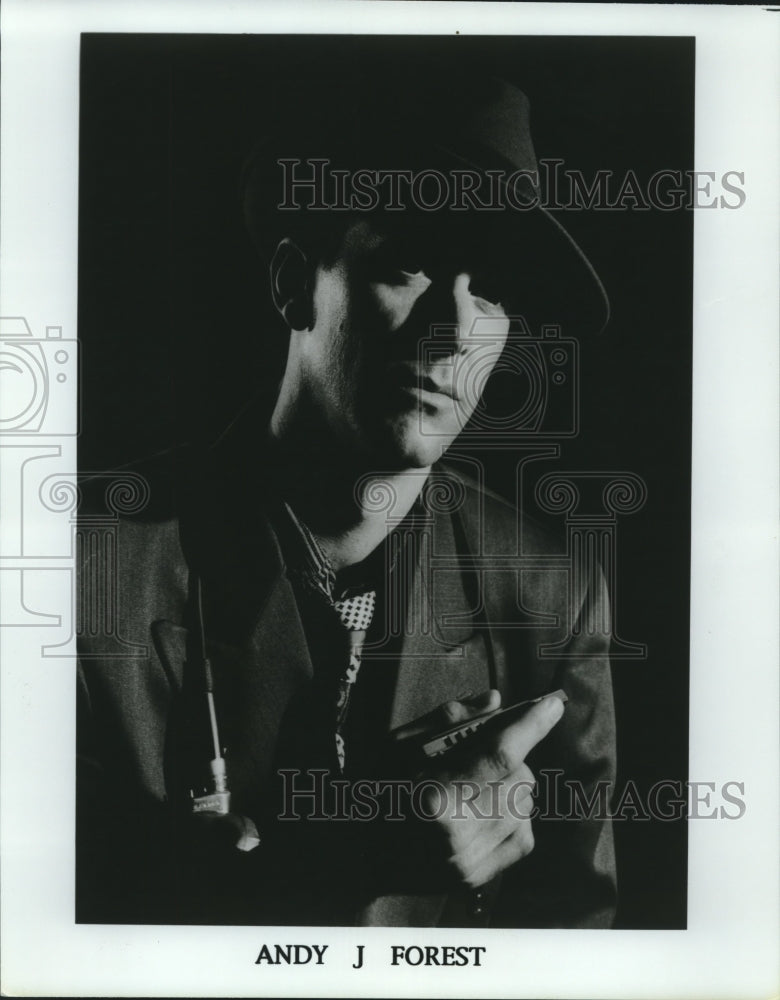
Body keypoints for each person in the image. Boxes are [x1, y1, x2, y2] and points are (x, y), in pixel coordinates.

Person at [76, 64, 617, 927]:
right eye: (408, 265)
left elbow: (582, 940)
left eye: (494, 294)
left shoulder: (552, 592)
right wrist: (351, 855)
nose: (455, 330)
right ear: (294, 284)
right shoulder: (90, 570)